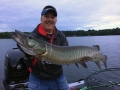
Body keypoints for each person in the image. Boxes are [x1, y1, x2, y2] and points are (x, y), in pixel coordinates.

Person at [24, 5, 70, 90]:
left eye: (52, 17)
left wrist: (80, 58)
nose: (49, 19)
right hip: (38, 78)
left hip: (58, 77)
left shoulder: (61, 36)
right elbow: (28, 61)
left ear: (55, 20)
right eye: (46, 16)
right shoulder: (33, 36)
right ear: (41, 18)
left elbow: (67, 56)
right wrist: (28, 55)